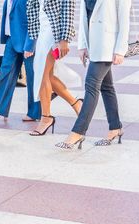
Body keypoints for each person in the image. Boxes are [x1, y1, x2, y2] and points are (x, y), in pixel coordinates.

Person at [56, 0, 131, 149]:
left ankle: (78, 132)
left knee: (91, 84)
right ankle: (115, 127)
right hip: (94, 44)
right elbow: (85, 16)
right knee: (106, 87)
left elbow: (124, 19)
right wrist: (82, 45)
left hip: (107, 45)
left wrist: (120, 50)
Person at [24, 0, 82, 136]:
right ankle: (76, 103)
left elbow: (68, 10)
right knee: (47, 75)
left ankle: (46, 117)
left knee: (42, 74)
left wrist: (64, 40)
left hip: (53, 32)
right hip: (42, 31)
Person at [0, 0, 41, 122]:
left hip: (27, 40)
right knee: (5, 72)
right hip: (12, 38)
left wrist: (30, 44)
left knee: (33, 77)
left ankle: (35, 113)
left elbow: (34, 18)